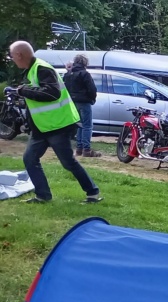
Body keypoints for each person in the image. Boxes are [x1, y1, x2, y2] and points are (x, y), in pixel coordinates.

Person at [6, 41, 101, 204]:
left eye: (12, 56)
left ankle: (92, 193)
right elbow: (37, 97)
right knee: (30, 159)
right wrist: (20, 95)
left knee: (68, 163)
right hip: (42, 127)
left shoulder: (42, 68)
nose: (12, 59)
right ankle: (43, 196)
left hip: (58, 125)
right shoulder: (31, 70)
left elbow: (52, 93)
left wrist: (23, 90)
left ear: (19, 55)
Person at [63, 54, 98, 158]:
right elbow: (92, 88)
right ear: (85, 63)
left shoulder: (69, 74)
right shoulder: (84, 74)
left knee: (79, 125)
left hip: (73, 102)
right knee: (87, 125)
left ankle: (79, 149)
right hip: (84, 101)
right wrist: (92, 99)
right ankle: (86, 149)